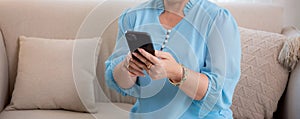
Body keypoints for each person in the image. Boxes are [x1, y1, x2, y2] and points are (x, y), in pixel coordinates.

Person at [105, 0, 241, 118]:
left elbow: (218, 95)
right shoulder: (133, 16)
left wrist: (176, 73)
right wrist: (126, 67)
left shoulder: (218, 20)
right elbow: (119, 82)